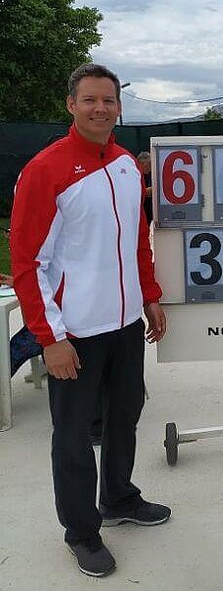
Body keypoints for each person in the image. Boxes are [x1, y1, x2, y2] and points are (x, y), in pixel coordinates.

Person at [10, 63, 170, 579]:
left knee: (126, 414)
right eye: (90, 100)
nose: (101, 108)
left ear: (120, 107)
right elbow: (27, 264)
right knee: (74, 434)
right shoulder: (45, 170)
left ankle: (119, 497)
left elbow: (136, 243)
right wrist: (50, 338)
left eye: (110, 100)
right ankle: (81, 531)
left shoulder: (127, 165)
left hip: (125, 325)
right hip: (74, 330)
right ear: (71, 105)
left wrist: (149, 297)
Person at [136, 151, 153, 227]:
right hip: (141, 209)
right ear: (142, 164)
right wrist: (146, 191)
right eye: (149, 165)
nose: (150, 168)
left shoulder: (152, 173)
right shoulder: (135, 175)